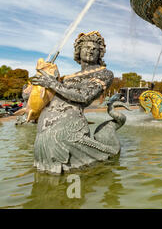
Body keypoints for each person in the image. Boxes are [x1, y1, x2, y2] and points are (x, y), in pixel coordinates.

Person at [31, 31, 117, 173]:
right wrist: (35, 85)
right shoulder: (66, 77)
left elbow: (84, 96)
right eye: (87, 47)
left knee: (69, 172)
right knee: (44, 173)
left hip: (67, 128)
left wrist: (53, 84)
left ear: (100, 54)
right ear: (78, 51)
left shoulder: (104, 73)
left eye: (95, 49)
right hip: (46, 126)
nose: (91, 50)